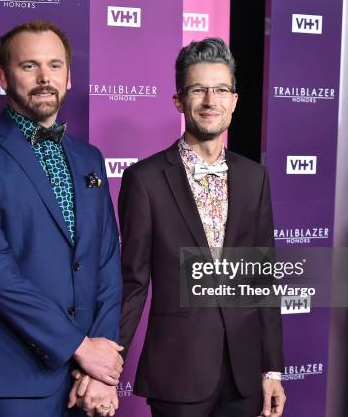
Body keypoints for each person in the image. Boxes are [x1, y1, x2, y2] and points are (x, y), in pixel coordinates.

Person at [0, 21, 122, 417]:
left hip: (85, 383)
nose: (45, 77)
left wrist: (101, 365)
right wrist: (80, 347)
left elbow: (106, 262)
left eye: (55, 65)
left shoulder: (90, 158)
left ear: (69, 77)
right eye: (29, 66)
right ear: (4, 77)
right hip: (11, 383)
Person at [117, 38, 286, 417]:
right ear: (179, 100)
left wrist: (271, 368)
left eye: (221, 89)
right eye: (198, 90)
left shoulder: (254, 177)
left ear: (234, 101)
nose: (211, 101)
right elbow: (132, 282)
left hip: (244, 374)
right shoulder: (145, 179)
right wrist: (108, 367)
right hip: (178, 370)